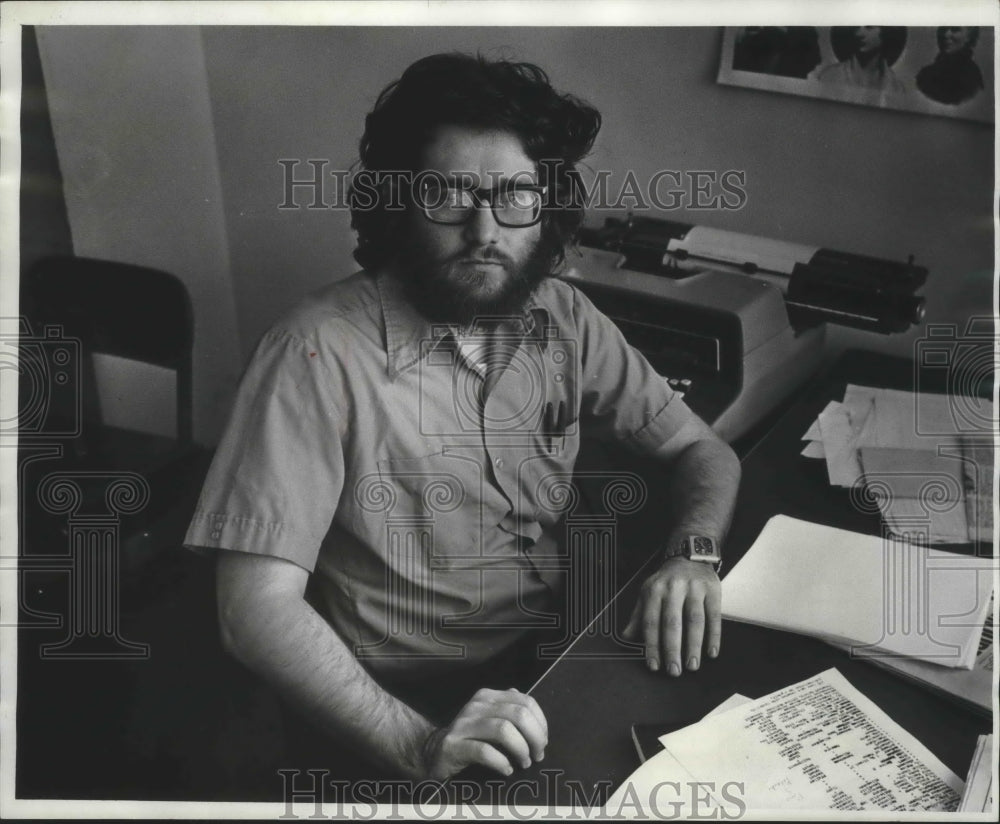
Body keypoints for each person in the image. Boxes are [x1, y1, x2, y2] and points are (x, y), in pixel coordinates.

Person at [184, 53, 740, 784]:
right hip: (394, 702)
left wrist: (690, 556)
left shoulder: (563, 315)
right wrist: (418, 745)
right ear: (400, 205)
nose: (485, 229)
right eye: (448, 195)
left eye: (515, 196)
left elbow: (705, 452)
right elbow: (251, 610)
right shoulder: (313, 352)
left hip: (549, 659)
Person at [812, 26, 907, 94]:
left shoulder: (896, 88)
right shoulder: (830, 77)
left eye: (869, 27)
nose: (859, 34)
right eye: (856, 27)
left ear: (886, 31)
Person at [916, 27, 984, 105]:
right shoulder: (925, 74)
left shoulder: (972, 77)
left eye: (955, 30)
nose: (946, 34)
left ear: (969, 37)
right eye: (943, 29)